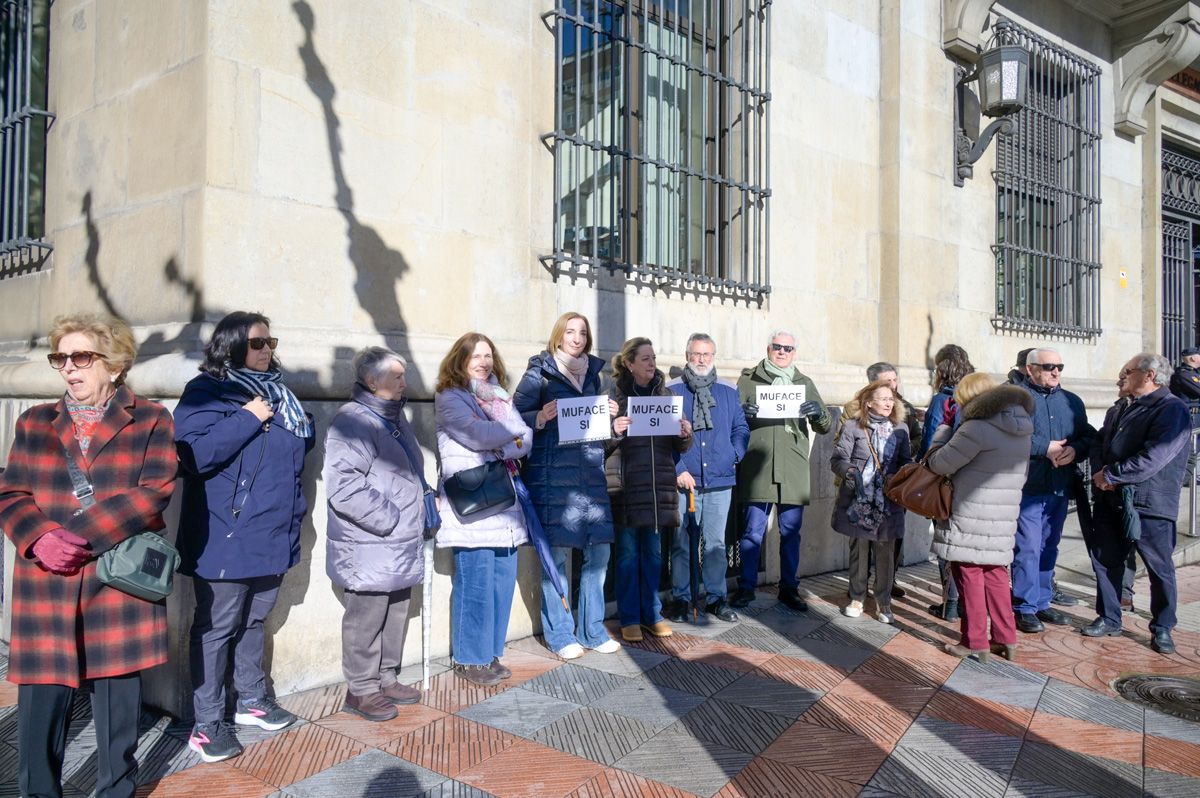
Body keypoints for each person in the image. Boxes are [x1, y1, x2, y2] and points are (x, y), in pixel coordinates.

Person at [0, 314, 177, 798]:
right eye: (61, 358)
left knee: (118, 705)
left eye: (81, 357)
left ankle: (117, 790)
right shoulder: (36, 421)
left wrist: (76, 538)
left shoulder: (153, 418)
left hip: (114, 578)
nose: (69, 368)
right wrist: (40, 539)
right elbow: (10, 492)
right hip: (46, 578)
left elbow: (154, 491)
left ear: (114, 366)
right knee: (39, 705)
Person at [175, 311, 314, 763]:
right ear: (231, 346)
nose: (267, 349)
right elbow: (192, 454)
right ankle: (208, 722)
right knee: (216, 629)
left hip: (273, 533)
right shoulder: (208, 392)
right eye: (257, 343)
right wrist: (249, 417)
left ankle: (252, 699)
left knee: (254, 621)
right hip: (225, 535)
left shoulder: (283, 396)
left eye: (270, 341)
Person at [323, 347, 427, 721]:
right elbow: (343, 486)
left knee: (396, 610)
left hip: (397, 543)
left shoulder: (393, 417)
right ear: (372, 382)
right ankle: (361, 689)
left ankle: (385, 676)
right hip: (370, 542)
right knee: (366, 616)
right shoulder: (353, 421)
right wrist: (390, 518)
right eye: (397, 376)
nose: (404, 382)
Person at [513, 312, 621, 659]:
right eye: (570, 331)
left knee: (600, 554)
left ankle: (591, 629)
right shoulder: (538, 374)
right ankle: (560, 634)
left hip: (590, 480)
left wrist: (615, 427)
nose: (577, 338)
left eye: (583, 333)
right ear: (558, 335)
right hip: (552, 480)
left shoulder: (595, 377)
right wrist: (540, 417)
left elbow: (597, 439)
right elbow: (512, 421)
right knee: (555, 559)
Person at [435, 333, 533, 683]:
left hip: (504, 506)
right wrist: (511, 435)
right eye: (475, 356)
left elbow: (525, 441)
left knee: (501, 583)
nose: (483, 362)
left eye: (488, 355)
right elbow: (478, 436)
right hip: (473, 504)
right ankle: (468, 658)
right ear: (459, 360)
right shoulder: (450, 398)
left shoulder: (501, 397)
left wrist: (506, 442)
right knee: (475, 584)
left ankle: (490, 653)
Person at [1084, 353, 1192, 655]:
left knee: (1159, 567)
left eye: (1127, 372)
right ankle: (1108, 617)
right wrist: (1100, 473)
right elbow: (1099, 443)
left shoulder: (1173, 409)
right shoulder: (1120, 407)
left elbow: (1156, 456)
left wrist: (1113, 474)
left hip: (1150, 503)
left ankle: (1162, 627)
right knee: (1106, 560)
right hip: (1110, 498)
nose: (1122, 377)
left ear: (1149, 376)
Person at [926, 374, 1033, 662]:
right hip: (1003, 512)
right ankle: (1005, 638)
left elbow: (939, 463)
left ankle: (974, 641)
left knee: (968, 574)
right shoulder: (1022, 426)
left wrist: (944, 430)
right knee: (996, 575)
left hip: (971, 511)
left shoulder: (976, 427)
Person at [731, 331, 832, 611]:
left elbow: (825, 426)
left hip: (793, 467)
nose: (782, 352)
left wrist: (818, 412)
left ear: (794, 352)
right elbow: (733, 419)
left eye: (788, 348)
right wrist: (744, 412)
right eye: (778, 347)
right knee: (752, 531)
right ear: (769, 348)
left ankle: (789, 588)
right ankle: (746, 587)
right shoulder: (749, 379)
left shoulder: (804, 382)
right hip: (758, 467)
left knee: (790, 531)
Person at [607, 338, 693, 641]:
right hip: (629, 488)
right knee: (628, 555)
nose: (651, 363)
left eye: (653, 357)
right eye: (644, 358)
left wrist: (685, 434)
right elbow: (600, 444)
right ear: (629, 363)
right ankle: (630, 617)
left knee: (654, 555)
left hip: (658, 490)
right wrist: (614, 429)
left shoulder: (667, 396)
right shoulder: (614, 397)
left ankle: (652, 613)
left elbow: (678, 445)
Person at [666, 333, 749, 624]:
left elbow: (740, 427)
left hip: (719, 479)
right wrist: (678, 469)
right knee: (681, 542)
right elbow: (663, 436)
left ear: (713, 357)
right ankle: (681, 598)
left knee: (715, 543)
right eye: (696, 354)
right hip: (685, 480)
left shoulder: (727, 390)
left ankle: (716, 597)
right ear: (687, 355)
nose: (701, 360)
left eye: (707, 355)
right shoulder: (671, 391)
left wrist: (734, 454)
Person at [1011, 348, 1094, 634]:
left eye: (1059, 365)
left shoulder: (1071, 401)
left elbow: (1088, 436)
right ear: (1030, 369)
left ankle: (1042, 600)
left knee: (1049, 545)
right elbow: (1005, 435)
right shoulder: (1014, 399)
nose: (1056, 371)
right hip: (1027, 487)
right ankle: (1023, 605)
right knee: (1028, 547)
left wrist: (1074, 450)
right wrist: (1043, 448)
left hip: (1059, 487)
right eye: (1048, 367)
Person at [830, 380, 911, 623]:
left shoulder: (901, 429)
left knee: (886, 552)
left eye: (891, 399)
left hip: (888, 501)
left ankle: (884, 603)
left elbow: (906, 462)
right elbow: (837, 459)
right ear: (869, 402)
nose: (888, 403)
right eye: (883, 398)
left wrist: (900, 477)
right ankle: (857, 597)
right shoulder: (853, 427)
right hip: (859, 500)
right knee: (859, 549)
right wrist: (851, 473)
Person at [921, 344, 974, 620]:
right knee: (967, 543)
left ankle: (950, 603)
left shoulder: (942, 400)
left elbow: (932, 441)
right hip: (974, 479)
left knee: (946, 539)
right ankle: (967, 601)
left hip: (944, 479)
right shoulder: (978, 397)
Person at [865, 361, 920, 599]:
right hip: (866, 485)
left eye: (895, 380)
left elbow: (917, 437)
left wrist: (902, 448)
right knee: (864, 534)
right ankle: (861, 579)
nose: (893, 386)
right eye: (887, 381)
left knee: (894, 533)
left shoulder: (905, 408)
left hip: (896, 483)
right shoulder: (856, 407)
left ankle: (889, 578)